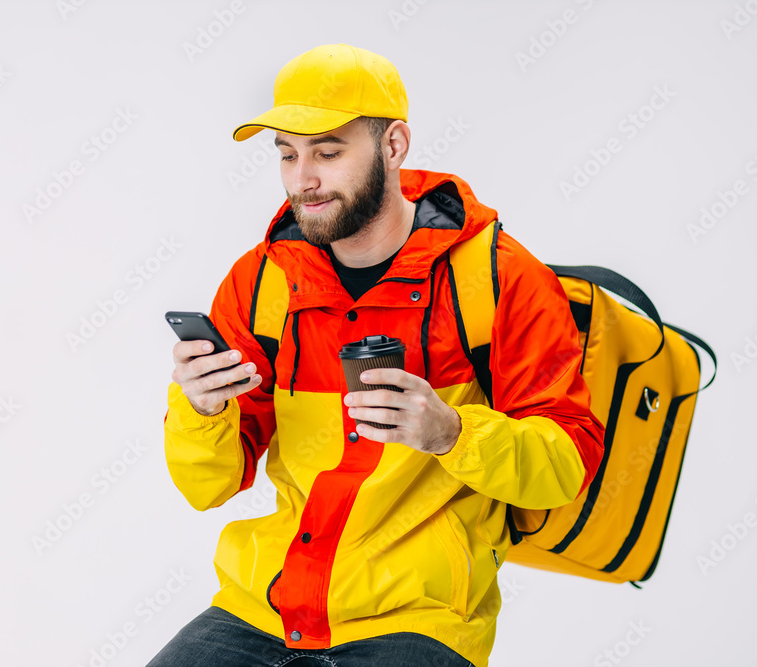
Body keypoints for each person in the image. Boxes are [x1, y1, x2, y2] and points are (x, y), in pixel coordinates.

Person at [150, 43, 605, 667]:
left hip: (419, 621)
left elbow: (564, 471)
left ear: (393, 146)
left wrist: (452, 432)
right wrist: (200, 409)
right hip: (262, 609)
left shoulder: (499, 279)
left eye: (328, 153)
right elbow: (208, 488)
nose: (301, 179)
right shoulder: (263, 283)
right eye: (287, 155)